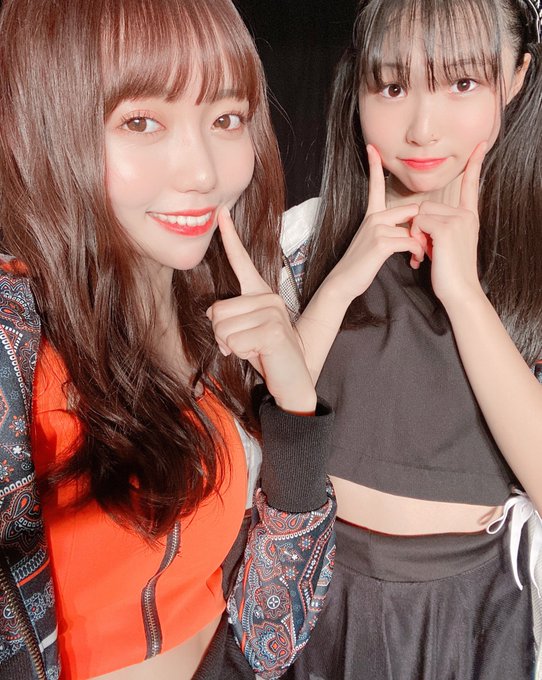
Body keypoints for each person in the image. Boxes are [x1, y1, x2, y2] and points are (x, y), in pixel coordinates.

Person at [0, 0, 337, 678]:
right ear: (46, 124)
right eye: (141, 121)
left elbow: (274, 625)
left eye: (226, 118)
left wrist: (294, 402)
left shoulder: (211, 306)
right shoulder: (15, 344)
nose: (203, 173)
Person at [279, 0, 542, 678]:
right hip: (313, 606)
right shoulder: (305, 242)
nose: (422, 128)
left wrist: (465, 297)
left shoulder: (532, 259)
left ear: (518, 75)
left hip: (465, 625)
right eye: (393, 87)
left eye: (462, 83)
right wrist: (341, 281)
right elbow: (262, 450)